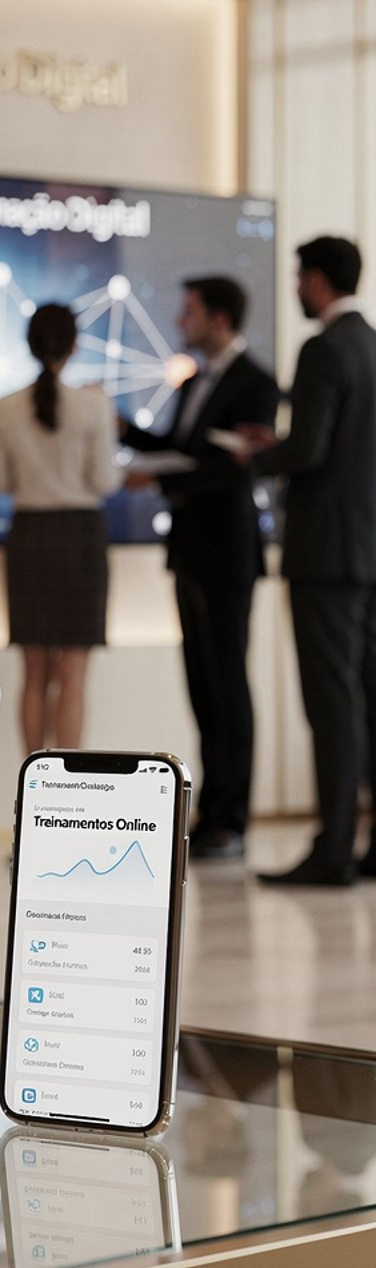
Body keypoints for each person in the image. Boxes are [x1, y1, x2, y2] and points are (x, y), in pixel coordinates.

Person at [231, 235, 376, 887]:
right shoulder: (372, 344)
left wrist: (257, 454)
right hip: (370, 549)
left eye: (297, 277)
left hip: (325, 553)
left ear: (316, 280)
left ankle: (334, 848)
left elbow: (311, 450)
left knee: (332, 702)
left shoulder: (323, 348)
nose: (294, 288)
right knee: (366, 698)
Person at [121, 277, 279, 859]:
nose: (180, 320)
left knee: (227, 683)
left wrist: (158, 477)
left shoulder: (256, 382)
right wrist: (125, 433)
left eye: (189, 311)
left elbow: (237, 469)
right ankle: (212, 811)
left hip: (227, 552)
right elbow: (184, 446)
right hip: (190, 550)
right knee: (202, 684)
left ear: (218, 317)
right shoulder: (196, 378)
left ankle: (232, 818)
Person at [0, 303, 122, 754]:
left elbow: (1, 483)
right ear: (74, 345)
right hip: (80, 536)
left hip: (28, 536)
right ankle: (68, 795)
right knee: (73, 676)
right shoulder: (92, 404)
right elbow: (106, 481)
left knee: (33, 676)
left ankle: (32, 788)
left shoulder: (7, 406)